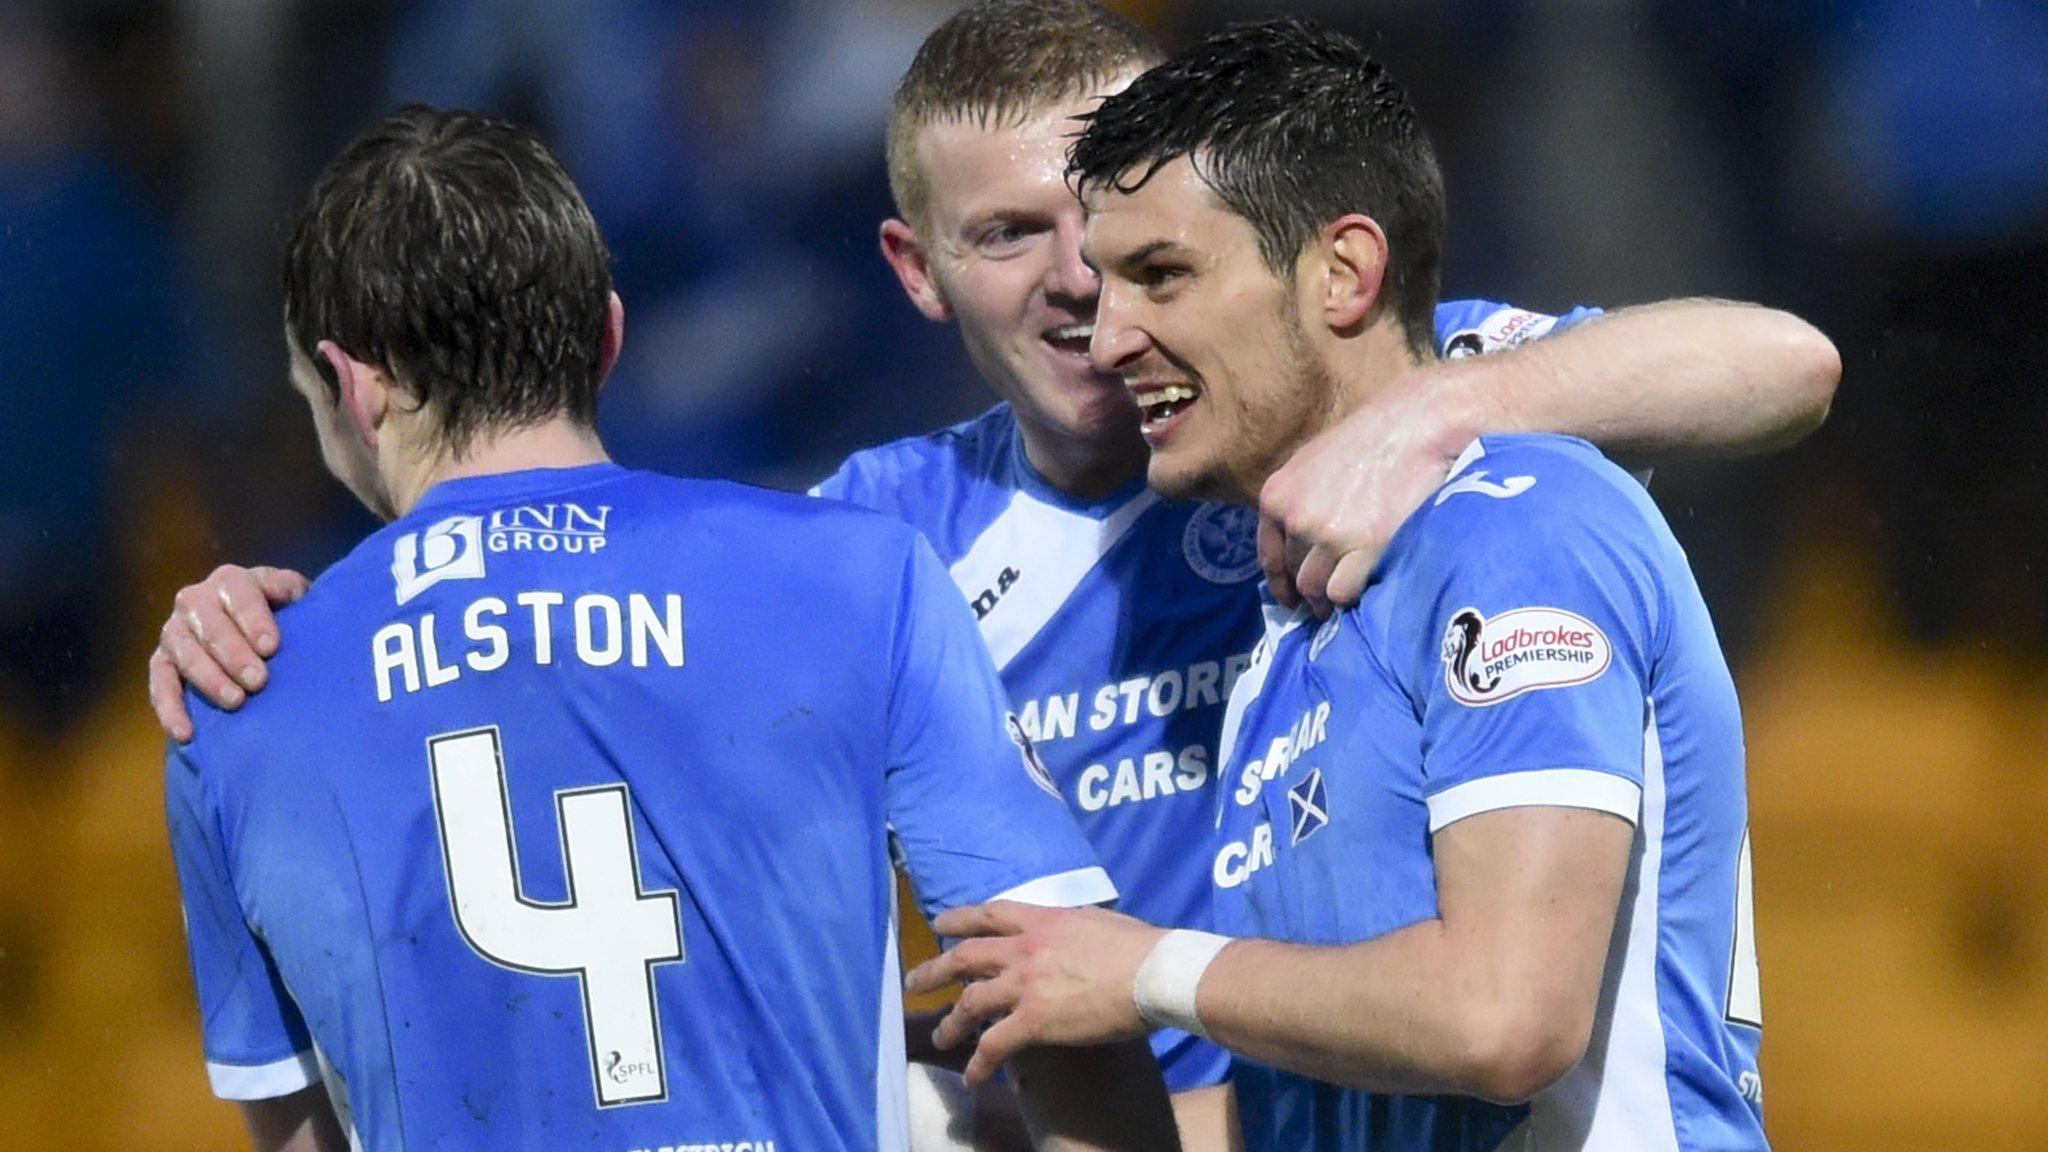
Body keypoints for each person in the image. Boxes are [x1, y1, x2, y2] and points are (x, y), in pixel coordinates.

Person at [150, 4, 1837, 1149]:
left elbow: (1780, 358)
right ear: (911, 269)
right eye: (1012, 236)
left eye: (1128, 239)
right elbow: (584, 623)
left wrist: (1449, 408)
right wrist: (266, 621)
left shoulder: (1431, 435)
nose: (1083, 287)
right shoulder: (872, 547)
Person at [163, 105, 1178, 1152]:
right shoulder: (853, 575)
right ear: (606, 337)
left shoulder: (235, 695)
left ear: (352, 384)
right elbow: (1057, 999)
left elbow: (301, 1137)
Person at [905, 18, 1777, 1151]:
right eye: (1016, 236)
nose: (1104, 332)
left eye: (1157, 275)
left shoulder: (1511, 522)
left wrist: (1147, 973)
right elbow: (1333, 1111)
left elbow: (1502, 1017)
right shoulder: (1293, 614)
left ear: (1344, 272)